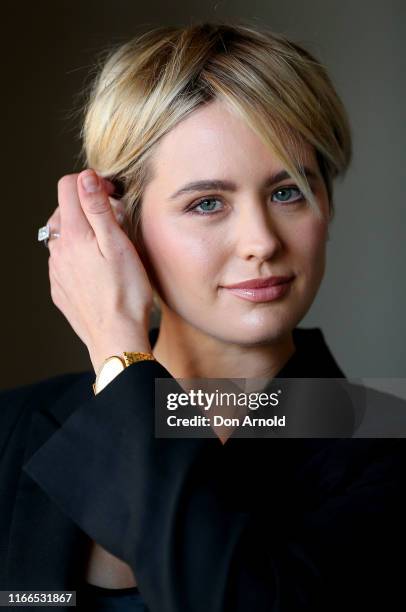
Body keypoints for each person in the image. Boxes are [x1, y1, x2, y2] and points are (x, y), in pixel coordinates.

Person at [1, 21, 405, 612]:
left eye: (288, 190)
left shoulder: (381, 442)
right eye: (207, 203)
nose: (261, 241)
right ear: (120, 224)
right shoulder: (13, 427)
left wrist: (119, 349)